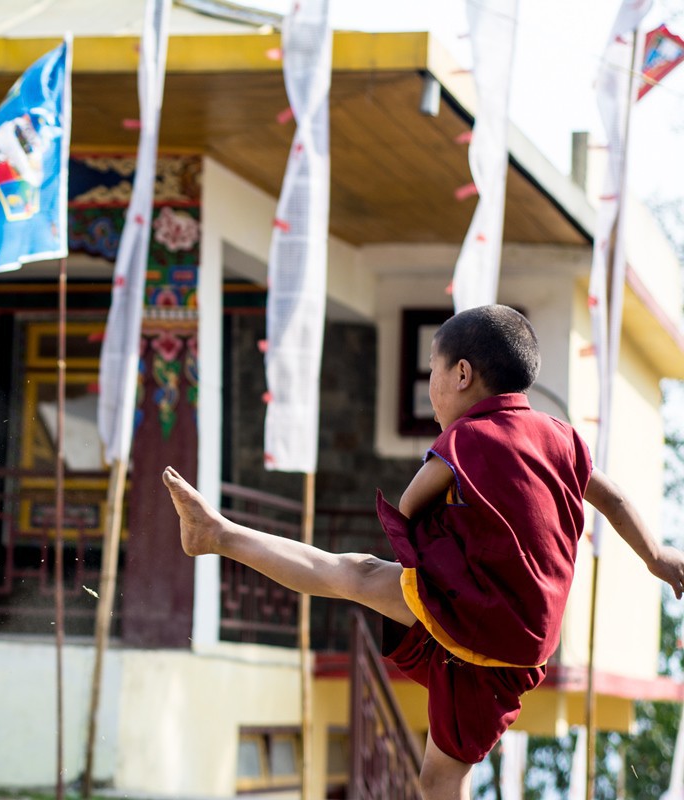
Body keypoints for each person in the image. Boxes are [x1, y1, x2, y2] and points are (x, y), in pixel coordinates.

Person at [161, 304, 684, 800]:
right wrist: (656, 556)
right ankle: (215, 534)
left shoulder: (468, 439)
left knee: (351, 572)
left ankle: (217, 535)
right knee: (438, 778)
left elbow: (408, 514)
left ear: (461, 374)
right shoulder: (562, 437)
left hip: (478, 616)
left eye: (431, 371)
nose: (430, 388)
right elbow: (611, 498)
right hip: (526, 641)